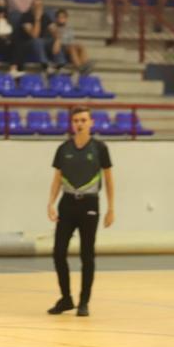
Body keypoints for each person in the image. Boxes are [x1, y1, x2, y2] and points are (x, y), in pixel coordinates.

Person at [46, 107, 115, 318]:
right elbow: (57, 178)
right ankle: (66, 298)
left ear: (91, 122)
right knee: (58, 252)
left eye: (83, 120)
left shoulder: (100, 148)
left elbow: (109, 179)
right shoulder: (63, 148)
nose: (79, 124)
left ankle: (84, 302)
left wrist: (111, 208)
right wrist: (50, 203)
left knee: (87, 255)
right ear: (72, 124)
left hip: (90, 205)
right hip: (67, 204)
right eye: (76, 120)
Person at [16, 0, 58, 75]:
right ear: (31, 6)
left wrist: (57, 40)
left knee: (55, 41)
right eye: (36, 5)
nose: (38, 8)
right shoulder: (26, 17)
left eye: (40, 5)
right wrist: (37, 19)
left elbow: (54, 30)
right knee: (37, 41)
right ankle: (45, 65)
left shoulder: (45, 16)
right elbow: (34, 36)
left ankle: (59, 65)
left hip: (40, 43)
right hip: (26, 44)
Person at [50, 9, 93, 75]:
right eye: (59, 17)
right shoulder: (53, 27)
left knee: (80, 46)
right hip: (60, 48)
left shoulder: (69, 29)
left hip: (69, 47)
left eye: (63, 17)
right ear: (56, 18)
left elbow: (71, 40)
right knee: (72, 47)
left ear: (66, 18)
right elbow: (56, 40)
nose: (61, 19)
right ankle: (80, 68)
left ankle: (86, 64)